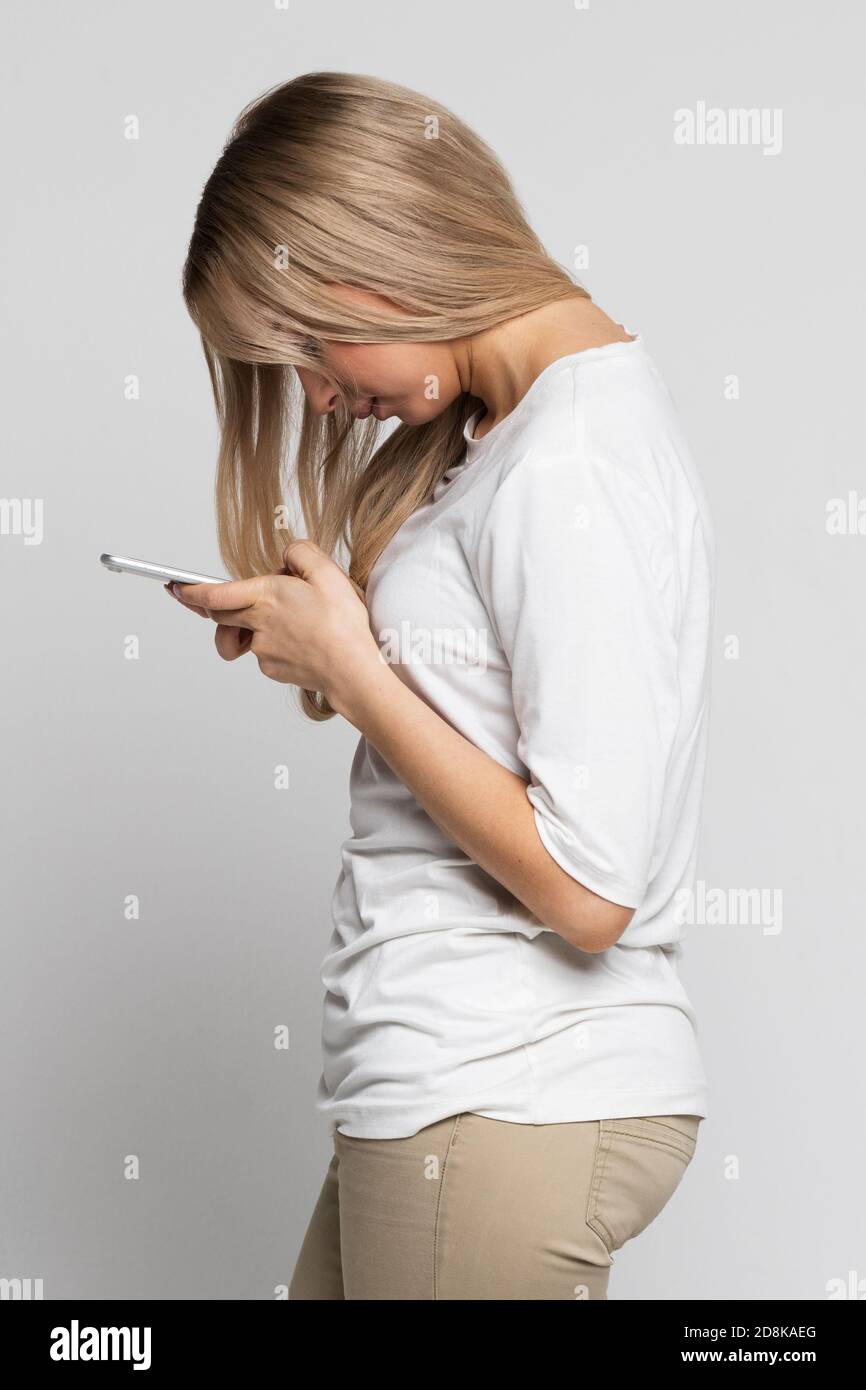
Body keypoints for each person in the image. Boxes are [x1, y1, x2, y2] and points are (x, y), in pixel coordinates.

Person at [172, 71, 713, 1300]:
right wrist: (333, 643)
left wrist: (359, 677)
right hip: (463, 1090)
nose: (315, 394)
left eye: (309, 342)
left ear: (377, 258)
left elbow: (589, 889)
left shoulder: (567, 461)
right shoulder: (516, 439)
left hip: (505, 1086)